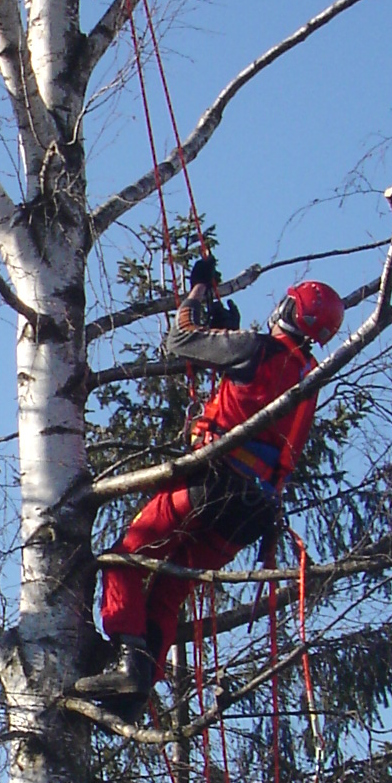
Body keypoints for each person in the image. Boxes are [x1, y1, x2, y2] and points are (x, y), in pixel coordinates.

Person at [74, 273, 345, 717]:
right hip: (250, 515)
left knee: (127, 553)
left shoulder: (256, 349)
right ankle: (138, 691)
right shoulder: (303, 379)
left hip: (211, 485)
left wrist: (198, 291)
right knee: (167, 591)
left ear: (291, 310)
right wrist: (225, 332)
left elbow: (180, 340)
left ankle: (128, 663)